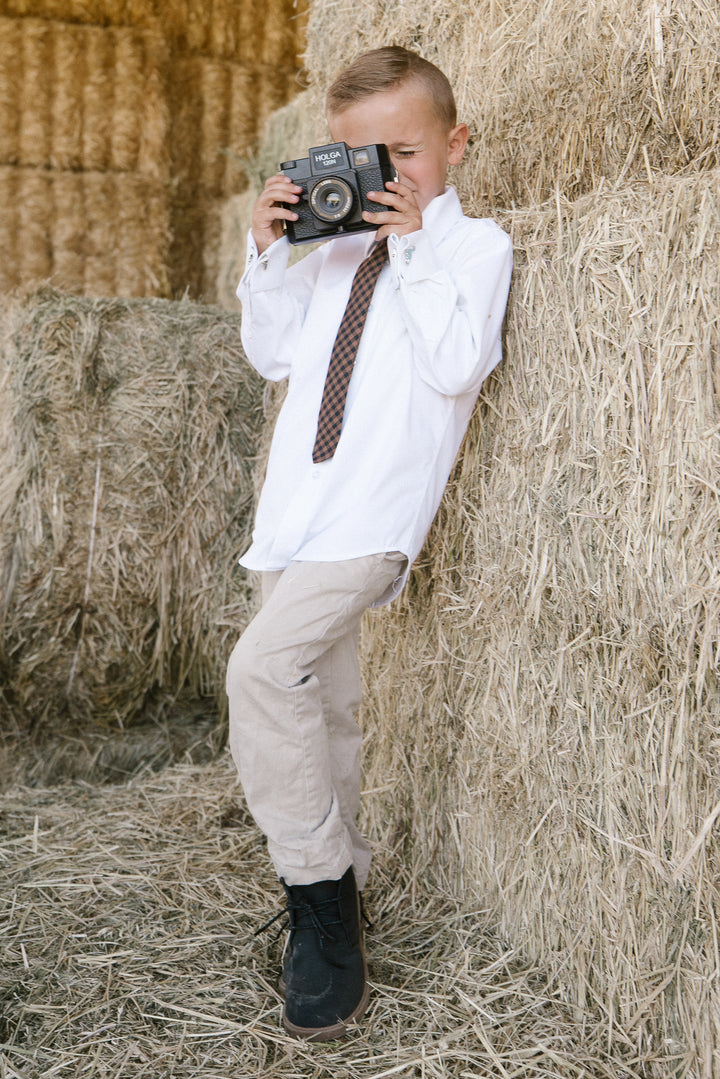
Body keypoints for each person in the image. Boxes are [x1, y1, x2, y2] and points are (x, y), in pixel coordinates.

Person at [226, 45, 513, 1041]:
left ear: (454, 145)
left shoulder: (475, 249)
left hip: (372, 522)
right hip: (294, 517)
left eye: (406, 153)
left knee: (260, 670)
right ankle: (345, 890)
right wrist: (268, 251)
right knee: (326, 711)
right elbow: (274, 352)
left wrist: (416, 243)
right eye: (359, 158)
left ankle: (318, 902)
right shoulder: (332, 249)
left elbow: (455, 361)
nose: (385, 177)